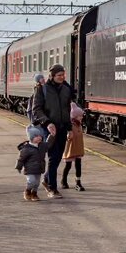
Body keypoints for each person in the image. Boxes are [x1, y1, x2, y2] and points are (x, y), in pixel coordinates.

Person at [30, 65, 73, 199]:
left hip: (62, 128)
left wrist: (70, 128)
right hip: (48, 128)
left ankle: (46, 179)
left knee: (59, 157)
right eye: (59, 75)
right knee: (53, 158)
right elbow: (36, 110)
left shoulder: (66, 89)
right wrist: (47, 123)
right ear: (52, 76)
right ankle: (52, 188)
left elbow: (67, 111)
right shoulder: (42, 89)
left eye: (63, 75)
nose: (61, 77)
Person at [16, 125, 48, 202]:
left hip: (39, 168)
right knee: (31, 181)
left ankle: (34, 193)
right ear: (31, 138)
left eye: (40, 136)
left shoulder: (42, 146)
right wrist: (18, 167)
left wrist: (52, 136)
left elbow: (49, 144)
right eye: (36, 136)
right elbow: (21, 158)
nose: (39, 137)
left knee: (37, 183)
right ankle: (27, 191)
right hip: (29, 169)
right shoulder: (26, 148)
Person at [61, 102, 86, 191]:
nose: (82, 117)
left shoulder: (79, 125)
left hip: (78, 148)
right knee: (68, 166)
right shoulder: (70, 126)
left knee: (78, 165)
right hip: (70, 149)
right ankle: (63, 181)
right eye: (80, 116)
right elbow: (67, 137)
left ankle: (78, 182)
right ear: (74, 117)